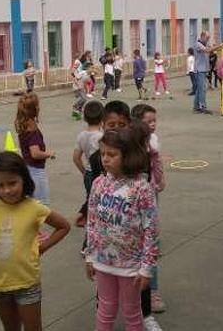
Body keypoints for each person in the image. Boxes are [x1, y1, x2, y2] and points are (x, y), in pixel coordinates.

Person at [0, 151, 70, 331]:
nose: (7, 190)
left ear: (24, 179)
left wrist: (42, 247)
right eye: (0, 185)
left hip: (27, 281)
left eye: (12, 183)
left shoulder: (34, 208)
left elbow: (64, 226)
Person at [85, 125, 158, 331]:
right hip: (102, 261)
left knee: (132, 311)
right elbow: (91, 221)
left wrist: (146, 267)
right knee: (105, 309)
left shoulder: (141, 187)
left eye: (112, 154)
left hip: (130, 265)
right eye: (102, 153)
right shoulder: (99, 183)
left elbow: (151, 229)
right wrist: (89, 255)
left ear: (128, 156)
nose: (105, 159)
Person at [131, 104, 166, 315]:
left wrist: (160, 181)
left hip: (150, 196)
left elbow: (157, 165)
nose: (152, 125)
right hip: (134, 199)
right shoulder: (129, 144)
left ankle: (152, 291)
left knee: (150, 244)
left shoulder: (153, 141)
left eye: (154, 121)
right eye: (148, 121)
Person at [15, 93, 55, 205]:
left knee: (32, 205)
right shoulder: (32, 131)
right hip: (36, 171)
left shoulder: (24, 125)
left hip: (28, 168)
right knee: (41, 207)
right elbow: (35, 153)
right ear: (35, 109)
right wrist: (49, 154)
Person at [72, 101, 104, 228]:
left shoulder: (81, 136)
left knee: (90, 197)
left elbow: (76, 158)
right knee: (100, 199)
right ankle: (93, 222)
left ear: (85, 117)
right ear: (103, 118)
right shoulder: (102, 136)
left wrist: (84, 171)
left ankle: (86, 218)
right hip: (100, 174)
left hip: (89, 173)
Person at [193, 31, 216, 114]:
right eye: (207, 38)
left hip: (203, 69)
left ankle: (196, 106)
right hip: (199, 70)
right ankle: (203, 107)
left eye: (209, 38)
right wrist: (218, 47)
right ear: (202, 36)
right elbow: (207, 50)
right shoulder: (198, 44)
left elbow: (210, 50)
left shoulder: (204, 44)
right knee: (202, 89)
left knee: (199, 89)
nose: (208, 40)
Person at [71, 54, 89, 120]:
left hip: (80, 84)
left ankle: (78, 110)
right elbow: (73, 73)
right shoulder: (77, 63)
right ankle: (76, 107)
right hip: (77, 85)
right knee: (83, 98)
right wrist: (76, 81)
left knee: (83, 99)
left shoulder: (82, 70)